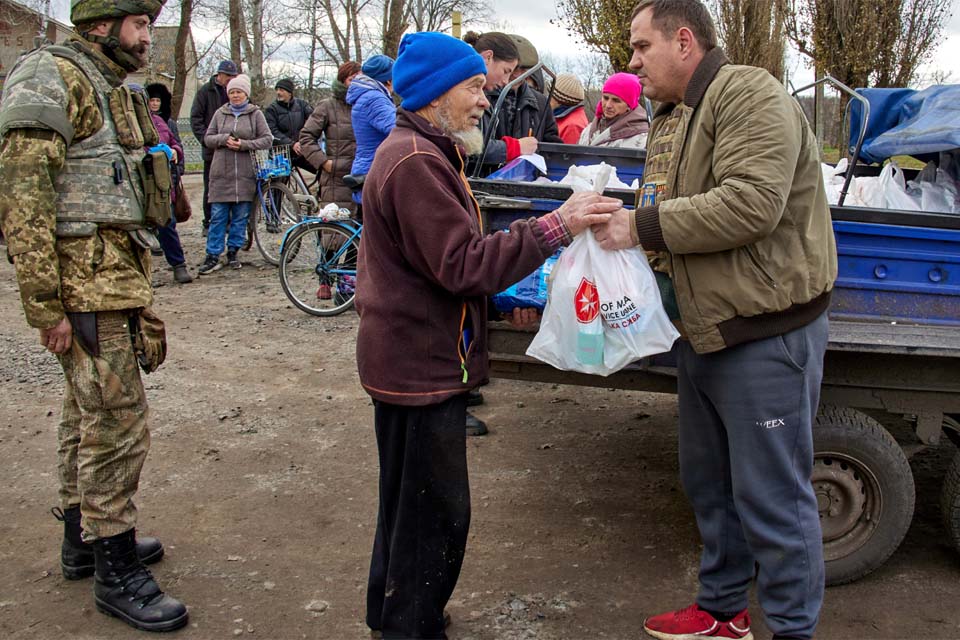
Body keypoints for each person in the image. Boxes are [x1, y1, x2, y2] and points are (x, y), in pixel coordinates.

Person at [356, 30, 621, 639]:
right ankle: (410, 626)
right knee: (434, 513)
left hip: (405, 359)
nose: (484, 99)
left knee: (406, 504)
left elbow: (440, 268)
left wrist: (498, 307)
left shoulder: (421, 150)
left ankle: (394, 611)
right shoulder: (417, 161)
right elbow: (462, 264)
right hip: (420, 368)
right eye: (474, 87)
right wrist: (556, 225)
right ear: (433, 95)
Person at [591, 2, 837, 639]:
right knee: (712, 486)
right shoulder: (674, 116)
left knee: (774, 498)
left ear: (683, 40)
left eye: (642, 47)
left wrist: (640, 226)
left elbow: (752, 204)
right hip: (704, 330)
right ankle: (723, 611)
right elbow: (673, 204)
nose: (633, 62)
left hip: (764, 330)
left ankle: (791, 630)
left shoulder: (748, 92)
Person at [0, 0, 188, 631]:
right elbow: (22, 195)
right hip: (85, 292)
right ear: (103, 24)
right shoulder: (51, 75)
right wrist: (44, 305)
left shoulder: (108, 85)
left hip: (111, 282)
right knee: (116, 423)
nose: (146, 37)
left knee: (89, 414)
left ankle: (84, 542)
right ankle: (115, 571)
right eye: (139, 25)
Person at [199, 73, 273, 274]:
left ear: (246, 94)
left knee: (240, 216)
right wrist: (224, 139)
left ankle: (233, 251)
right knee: (218, 216)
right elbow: (208, 138)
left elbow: (267, 139)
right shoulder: (219, 114)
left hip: (245, 174)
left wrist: (244, 145)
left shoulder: (255, 114)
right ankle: (213, 254)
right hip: (221, 174)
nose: (235, 96)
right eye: (232, 92)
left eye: (239, 92)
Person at [464, 31, 537, 165]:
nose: (506, 81)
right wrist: (516, 147)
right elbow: (468, 146)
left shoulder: (483, 92)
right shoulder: (462, 91)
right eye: (506, 71)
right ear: (488, 57)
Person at [145, 82, 192, 283]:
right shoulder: (133, 123)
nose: (154, 104)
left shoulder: (162, 122)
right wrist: (150, 153)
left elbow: (174, 143)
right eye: (151, 100)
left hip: (164, 181)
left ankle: (178, 264)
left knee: (168, 221)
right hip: (142, 178)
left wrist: (174, 152)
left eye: (157, 100)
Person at [300, 61, 360, 213]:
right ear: (342, 80)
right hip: (336, 180)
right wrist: (325, 163)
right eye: (352, 79)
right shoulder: (328, 106)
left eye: (361, 79)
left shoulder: (367, 105)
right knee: (337, 232)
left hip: (363, 176)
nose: (356, 84)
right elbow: (306, 137)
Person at [191, 59, 237, 236]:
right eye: (228, 76)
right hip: (212, 150)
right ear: (220, 75)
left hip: (233, 149)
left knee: (232, 187)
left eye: (233, 76)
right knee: (211, 187)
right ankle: (208, 222)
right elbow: (196, 118)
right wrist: (207, 139)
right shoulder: (205, 92)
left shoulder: (235, 92)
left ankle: (229, 222)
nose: (230, 79)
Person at [346, 54, 396, 208]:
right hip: (374, 168)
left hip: (369, 166)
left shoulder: (367, 96)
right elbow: (397, 127)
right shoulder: (374, 99)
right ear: (388, 80)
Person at [578, 72, 649, 149]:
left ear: (629, 105)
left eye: (616, 100)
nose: (608, 105)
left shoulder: (641, 139)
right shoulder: (588, 131)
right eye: (605, 98)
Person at [264, 77, 313, 170]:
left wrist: (305, 140)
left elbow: (314, 120)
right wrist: (292, 144)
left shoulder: (302, 105)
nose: (278, 92)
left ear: (290, 93)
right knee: (277, 182)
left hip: (301, 150)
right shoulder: (271, 109)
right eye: (277, 90)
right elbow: (272, 131)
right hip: (281, 153)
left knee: (322, 169)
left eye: (282, 90)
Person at [550, 73, 588, 144]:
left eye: (550, 95)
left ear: (559, 101)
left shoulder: (572, 127)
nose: (547, 99)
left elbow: (566, 154)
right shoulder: (563, 117)